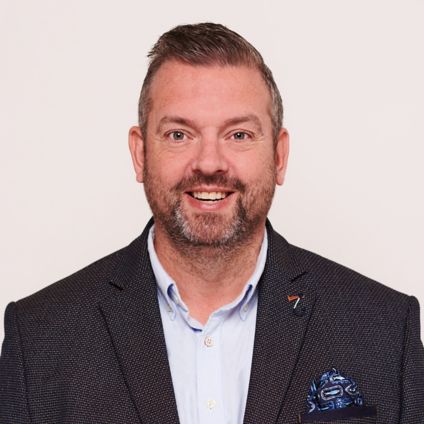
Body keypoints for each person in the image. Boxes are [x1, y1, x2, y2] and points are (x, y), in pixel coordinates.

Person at [0, 23, 423, 424]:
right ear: (140, 154)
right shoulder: (40, 340)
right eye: (179, 134)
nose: (209, 163)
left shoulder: (384, 331)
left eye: (238, 135)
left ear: (279, 156)